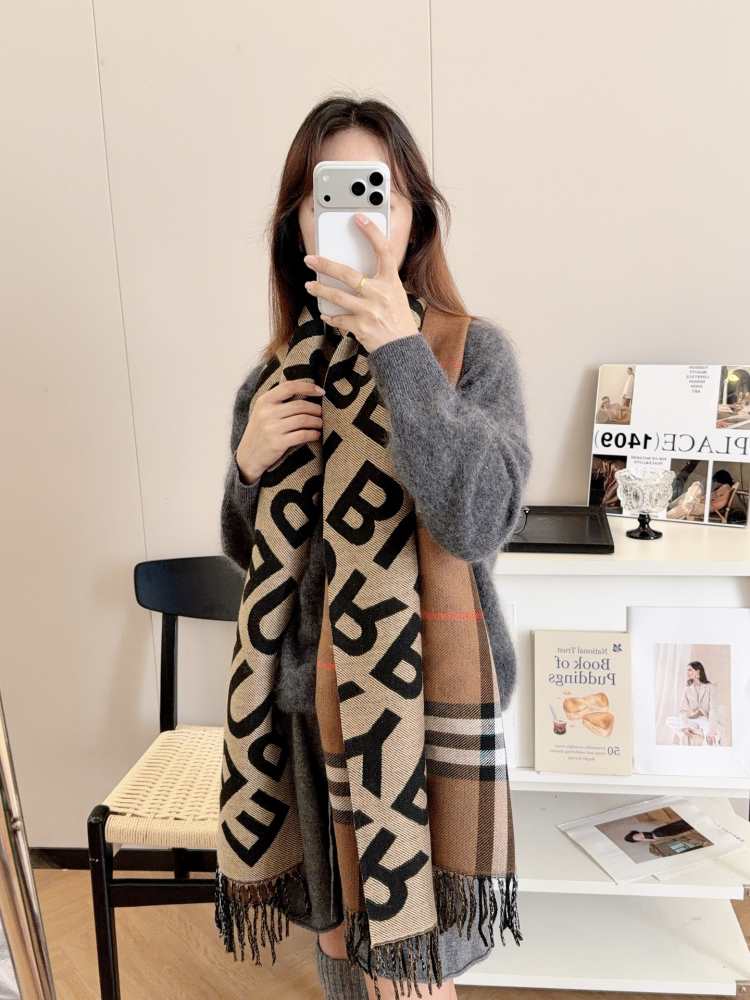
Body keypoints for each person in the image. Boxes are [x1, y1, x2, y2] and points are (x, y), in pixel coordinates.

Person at [219, 97, 532, 1000]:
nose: (356, 219)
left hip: (426, 721)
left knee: (418, 974)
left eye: (377, 194)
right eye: (329, 196)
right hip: (303, 721)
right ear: (298, 226)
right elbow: (247, 552)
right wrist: (248, 465)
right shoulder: (277, 375)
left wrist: (400, 350)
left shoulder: (470, 356)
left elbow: (477, 519)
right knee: (345, 966)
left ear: (414, 216)